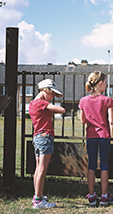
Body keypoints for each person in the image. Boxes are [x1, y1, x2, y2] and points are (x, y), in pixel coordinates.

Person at [78, 71, 113, 207]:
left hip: (91, 136)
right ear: (100, 84)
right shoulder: (107, 100)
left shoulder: (83, 101)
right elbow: (112, 121)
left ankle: (92, 196)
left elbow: (83, 120)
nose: (106, 86)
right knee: (104, 166)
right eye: (105, 83)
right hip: (104, 136)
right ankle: (105, 196)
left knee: (91, 166)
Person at [29, 79, 66, 209]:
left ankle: (37, 195)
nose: (52, 98)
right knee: (42, 169)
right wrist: (51, 107)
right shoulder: (41, 103)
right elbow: (61, 109)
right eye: (52, 94)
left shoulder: (32, 103)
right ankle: (38, 201)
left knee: (38, 168)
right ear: (46, 90)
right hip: (45, 137)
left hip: (38, 137)